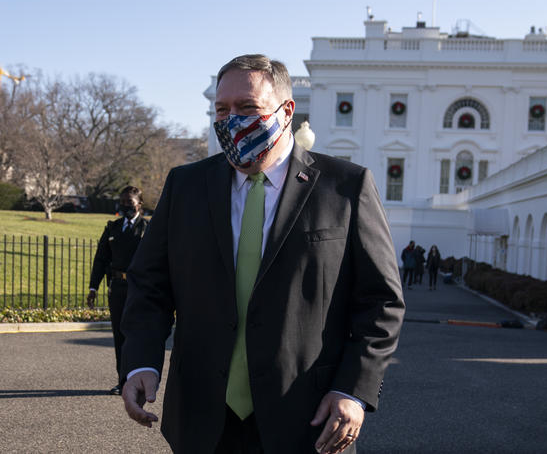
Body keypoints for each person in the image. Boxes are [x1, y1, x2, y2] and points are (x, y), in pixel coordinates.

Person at [119, 54, 405, 454]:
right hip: (202, 420)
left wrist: (352, 390)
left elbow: (382, 302)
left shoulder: (346, 187)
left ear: (286, 111)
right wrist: (141, 362)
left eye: (247, 107)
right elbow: (150, 284)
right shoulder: (186, 186)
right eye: (222, 109)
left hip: (309, 420)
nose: (231, 119)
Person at [86, 186, 148, 395]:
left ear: (139, 204)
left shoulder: (148, 229)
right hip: (118, 288)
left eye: (129, 203)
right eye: (122, 203)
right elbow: (101, 259)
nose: (124, 207)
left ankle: (138, 380)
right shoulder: (113, 227)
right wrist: (93, 287)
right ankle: (123, 382)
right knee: (120, 335)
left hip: (140, 289)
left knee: (138, 336)